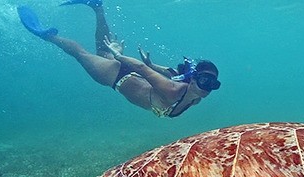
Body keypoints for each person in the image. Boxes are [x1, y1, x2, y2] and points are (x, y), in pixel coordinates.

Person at [17, 0, 221, 118]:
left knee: (100, 51)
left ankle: (97, 6)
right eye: (204, 81)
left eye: (213, 84)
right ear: (194, 79)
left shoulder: (194, 97)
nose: (207, 87)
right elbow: (142, 69)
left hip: (125, 74)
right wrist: (119, 56)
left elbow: (172, 72)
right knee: (81, 54)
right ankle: (46, 35)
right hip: (116, 77)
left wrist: (151, 64)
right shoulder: (173, 90)